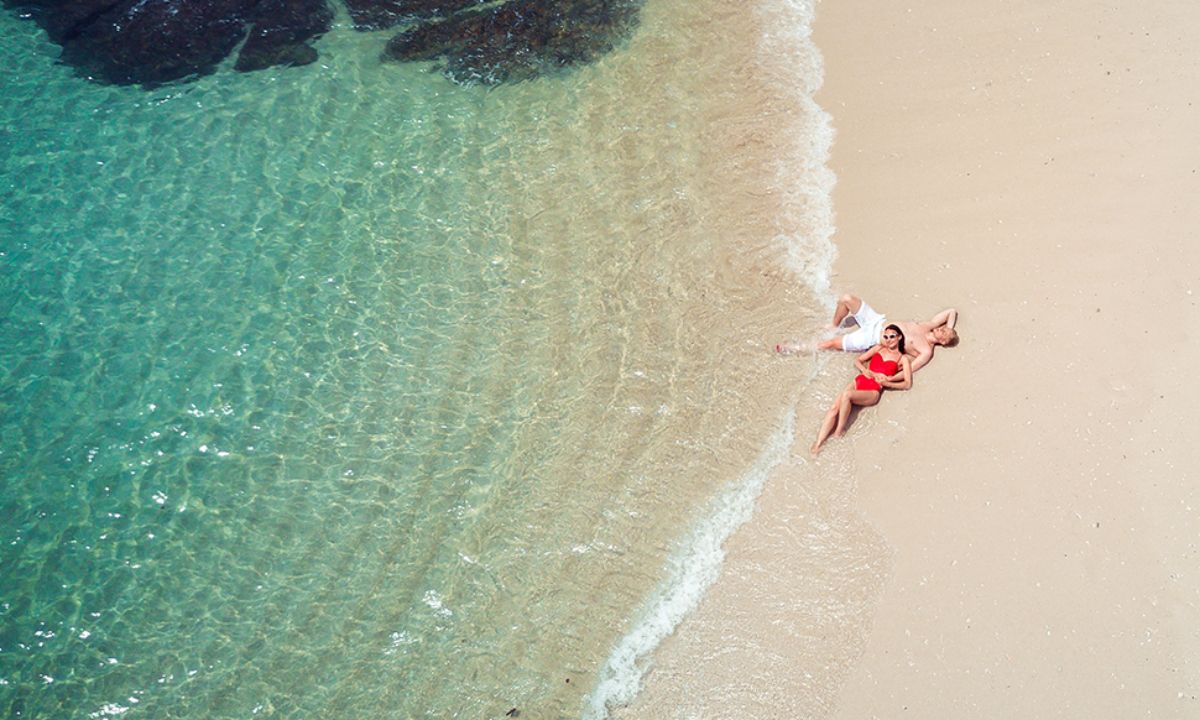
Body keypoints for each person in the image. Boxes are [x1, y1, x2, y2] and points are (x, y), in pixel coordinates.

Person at [778, 293, 958, 372]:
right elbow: (952, 311)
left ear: (942, 342)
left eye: (945, 332)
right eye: (945, 327)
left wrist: (886, 373)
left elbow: (910, 368)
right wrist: (951, 328)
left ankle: (792, 348)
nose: (942, 328)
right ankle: (834, 324)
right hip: (876, 320)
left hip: (871, 338)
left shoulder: (926, 350)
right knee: (847, 299)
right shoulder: (930, 324)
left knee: (830, 344)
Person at [811, 324, 913, 455]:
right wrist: (865, 370)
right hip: (860, 380)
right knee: (834, 409)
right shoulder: (878, 348)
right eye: (886, 336)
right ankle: (818, 444)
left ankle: (839, 431)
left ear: (899, 337)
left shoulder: (902, 358)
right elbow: (858, 360)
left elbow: (907, 384)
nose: (889, 340)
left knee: (847, 395)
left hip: (873, 390)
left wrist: (888, 383)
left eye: (892, 336)